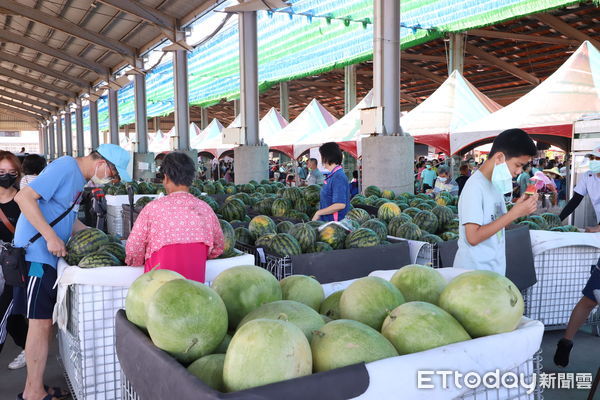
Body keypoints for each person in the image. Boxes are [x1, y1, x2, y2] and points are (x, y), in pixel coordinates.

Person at [13, 144, 131, 400]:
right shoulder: (66, 166)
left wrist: (103, 237)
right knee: (39, 324)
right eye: (112, 173)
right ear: (102, 162)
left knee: (45, 323)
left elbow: (68, 218)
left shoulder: (80, 180)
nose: (111, 178)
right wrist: (51, 237)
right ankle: (32, 392)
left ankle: (37, 388)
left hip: (47, 257)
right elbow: (23, 197)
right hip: (36, 256)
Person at [126, 152, 224, 282]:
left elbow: (133, 250)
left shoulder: (152, 209)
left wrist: (138, 262)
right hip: (195, 290)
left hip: (157, 290)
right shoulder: (205, 209)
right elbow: (218, 247)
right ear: (191, 179)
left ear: (166, 178)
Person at [453, 129, 538, 276]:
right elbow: (472, 237)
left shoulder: (495, 184)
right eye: (518, 165)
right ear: (499, 157)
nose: (519, 171)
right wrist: (513, 214)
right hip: (472, 277)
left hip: (492, 273)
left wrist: (518, 208)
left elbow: (497, 224)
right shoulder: (474, 187)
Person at [0, 152, 29, 370]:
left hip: (14, 266)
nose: (6, 176)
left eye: (11, 172)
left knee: (4, 313)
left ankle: (30, 347)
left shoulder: (23, 200)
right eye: (1, 172)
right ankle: (30, 346)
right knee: (12, 317)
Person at [558, 146, 600, 232]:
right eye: (592, 158)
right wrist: (558, 220)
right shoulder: (588, 176)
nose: (594, 161)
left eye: (598, 158)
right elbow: (575, 200)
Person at [312, 143, 350, 222]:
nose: (321, 159)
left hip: (334, 225)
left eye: (321, 156)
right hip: (327, 223)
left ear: (327, 157)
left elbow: (340, 205)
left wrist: (319, 213)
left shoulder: (338, 177)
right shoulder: (333, 175)